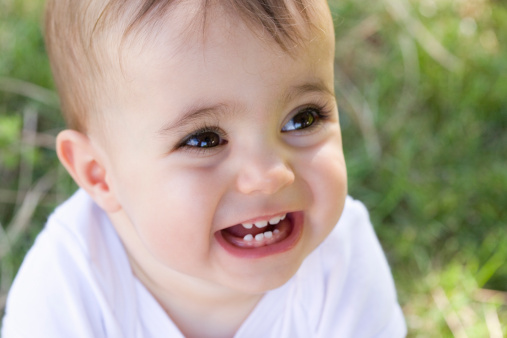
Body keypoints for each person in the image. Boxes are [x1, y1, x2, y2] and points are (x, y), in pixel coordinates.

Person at [1, 0, 406, 336]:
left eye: (303, 118)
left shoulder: (340, 262)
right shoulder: (68, 287)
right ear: (99, 174)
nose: (270, 173)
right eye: (205, 140)